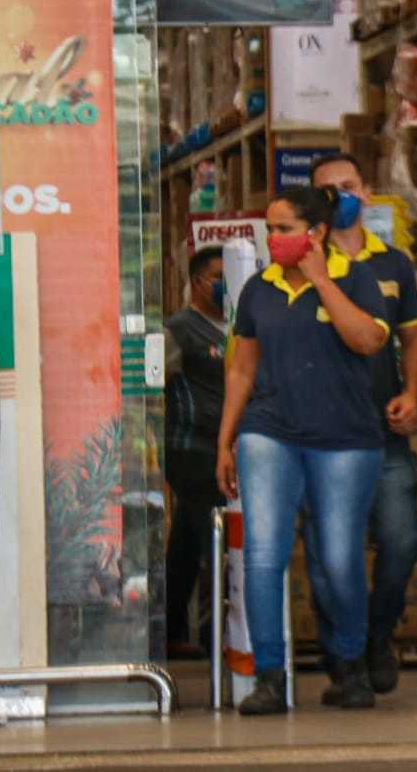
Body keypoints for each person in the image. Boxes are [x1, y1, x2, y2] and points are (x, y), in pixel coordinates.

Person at [217, 186, 390, 716]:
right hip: (269, 432)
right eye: (269, 229)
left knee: (339, 559)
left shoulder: (356, 274)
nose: (274, 240)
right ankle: (271, 675)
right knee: (265, 557)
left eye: (285, 229)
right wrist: (226, 440)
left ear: (314, 233)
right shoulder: (258, 290)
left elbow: (369, 340)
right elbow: (242, 368)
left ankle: (349, 666)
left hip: (346, 440)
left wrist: (320, 280)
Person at [302, 152, 417, 694]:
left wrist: (412, 393)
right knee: (333, 555)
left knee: (402, 542)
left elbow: (414, 337)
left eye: (347, 187)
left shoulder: (394, 264)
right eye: (327, 191)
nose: (339, 197)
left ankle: (378, 636)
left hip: (385, 431)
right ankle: (344, 657)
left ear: (367, 191)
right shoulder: (304, 262)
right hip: (324, 433)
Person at [165, 245, 228, 659]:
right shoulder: (180, 329)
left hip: (223, 448)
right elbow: (161, 384)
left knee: (187, 541)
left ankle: (171, 629)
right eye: (217, 277)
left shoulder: (238, 325)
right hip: (191, 449)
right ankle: (217, 634)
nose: (224, 284)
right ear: (197, 282)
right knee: (213, 539)